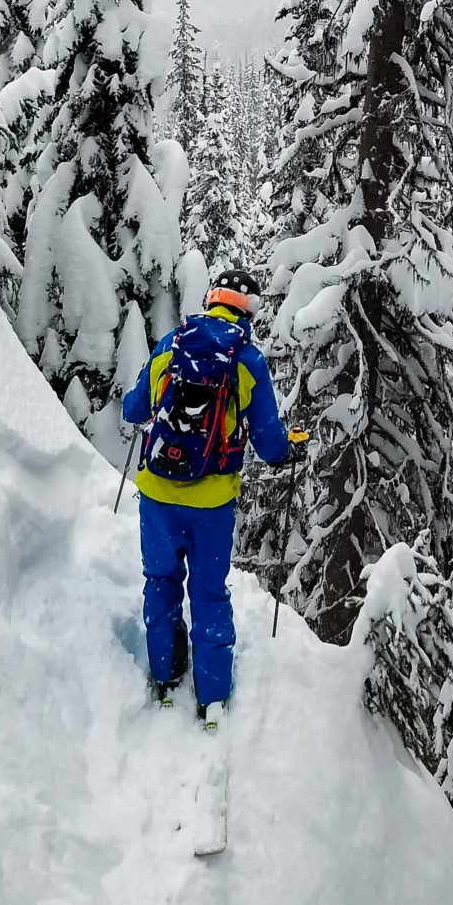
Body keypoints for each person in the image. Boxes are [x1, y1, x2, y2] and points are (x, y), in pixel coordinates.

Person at [122, 267, 298, 714]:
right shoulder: (248, 360)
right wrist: (290, 449)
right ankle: (213, 696)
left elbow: (133, 409)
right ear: (249, 311)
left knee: (160, 582)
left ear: (212, 299)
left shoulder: (171, 345)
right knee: (209, 592)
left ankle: (165, 673)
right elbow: (270, 443)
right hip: (212, 504)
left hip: (158, 496)